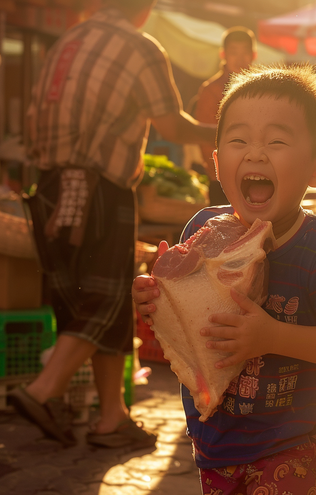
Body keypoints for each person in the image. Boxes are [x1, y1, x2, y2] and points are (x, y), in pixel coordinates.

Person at [132, 64, 316, 495]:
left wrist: (271, 336)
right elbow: (182, 325)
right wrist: (153, 299)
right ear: (217, 163)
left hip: (293, 443)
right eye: (238, 140)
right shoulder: (201, 232)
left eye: (277, 141)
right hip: (215, 442)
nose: (255, 153)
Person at [8, 0, 215, 449]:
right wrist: (219, 132)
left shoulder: (68, 41)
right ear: (143, 10)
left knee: (82, 301)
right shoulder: (139, 46)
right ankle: (42, 391)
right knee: (104, 299)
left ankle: (112, 418)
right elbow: (170, 126)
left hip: (47, 188)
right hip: (97, 188)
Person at [192, 26, 256, 205]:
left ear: (254, 55)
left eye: (245, 52)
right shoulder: (211, 90)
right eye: (234, 52)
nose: (240, 59)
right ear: (223, 54)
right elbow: (206, 137)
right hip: (222, 180)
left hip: (257, 176)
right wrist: (217, 176)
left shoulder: (262, 89)